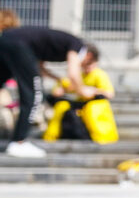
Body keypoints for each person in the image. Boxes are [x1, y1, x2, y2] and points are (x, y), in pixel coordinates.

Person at [0, 9, 100, 158]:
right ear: (89, 55)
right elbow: (73, 73)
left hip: (6, 41)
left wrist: (58, 80)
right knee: (34, 94)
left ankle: (18, 141)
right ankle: (19, 142)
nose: (83, 68)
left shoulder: (49, 44)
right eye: (86, 64)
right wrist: (82, 90)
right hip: (18, 45)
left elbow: (39, 68)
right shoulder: (78, 46)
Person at [42, 44, 119, 143]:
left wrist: (93, 91)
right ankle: (51, 137)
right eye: (85, 65)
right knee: (61, 106)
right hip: (78, 106)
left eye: (90, 64)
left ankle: (101, 139)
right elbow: (60, 89)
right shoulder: (78, 75)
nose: (87, 68)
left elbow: (110, 93)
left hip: (91, 106)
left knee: (93, 108)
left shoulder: (99, 74)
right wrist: (62, 89)